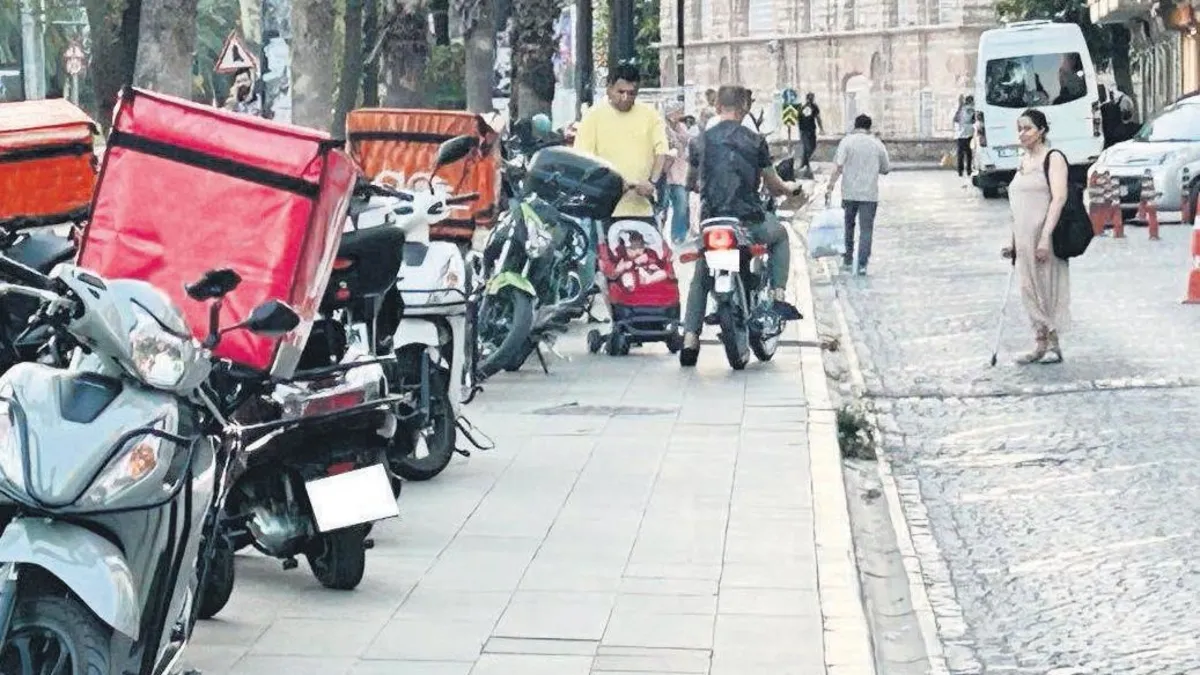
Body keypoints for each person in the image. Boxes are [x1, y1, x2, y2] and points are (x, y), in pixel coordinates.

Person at [679, 85, 803, 365]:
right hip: (747, 220)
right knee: (781, 235)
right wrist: (789, 187)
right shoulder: (755, 140)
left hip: (711, 220)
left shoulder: (699, 142)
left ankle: (690, 338)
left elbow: (689, 182)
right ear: (744, 108)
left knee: (702, 272)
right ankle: (776, 296)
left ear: (717, 107)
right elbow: (773, 186)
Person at [1001, 108, 1069, 364]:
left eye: (1028, 128)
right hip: (1023, 236)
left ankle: (1053, 343)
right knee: (1027, 289)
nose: (1022, 134)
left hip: (1044, 234)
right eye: (1019, 129)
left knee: (1046, 287)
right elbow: (1016, 206)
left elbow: (1058, 198)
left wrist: (1044, 238)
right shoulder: (1023, 162)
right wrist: (1012, 240)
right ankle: (1040, 342)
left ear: (1041, 131)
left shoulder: (1053, 158)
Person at [573, 62, 669, 221]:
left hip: (642, 208)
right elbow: (583, 159)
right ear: (609, 89)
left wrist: (652, 182)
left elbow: (661, 152)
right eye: (620, 92)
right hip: (604, 209)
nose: (625, 98)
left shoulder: (650, 115)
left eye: (631, 93)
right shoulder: (593, 116)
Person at [826, 114, 891, 275]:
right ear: (869, 127)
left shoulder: (846, 142)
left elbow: (838, 167)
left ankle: (847, 257)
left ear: (855, 126)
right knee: (866, 229)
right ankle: (862, 263)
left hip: (849, 192)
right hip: (869, 194)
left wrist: (830, 186)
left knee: (848, 226)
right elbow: (886, 169)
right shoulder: (877, 144)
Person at [662, 100, 692, 244]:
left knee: (681, 206)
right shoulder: (661, 128)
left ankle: (678, 236)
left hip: (680, 174)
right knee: (662, 208)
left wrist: (675, 134)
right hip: (663, 173)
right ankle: (659, 235)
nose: (680, 115)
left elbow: (686, 142)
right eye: (678, 112)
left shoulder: (681, 127)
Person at [797, 92, 824, 175]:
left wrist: (800, 131)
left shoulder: (802, 107)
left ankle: (804, 164)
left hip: (805, 131)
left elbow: (798, 120)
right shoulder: (813, 107)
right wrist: (821, 128)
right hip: (810, 131)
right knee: (811, 147)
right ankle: (806, 164)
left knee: (807, 147)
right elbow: (818, 118)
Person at [953, 95, 976, 183]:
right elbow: (974, 120)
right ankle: (969, 170)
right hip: (969, 133)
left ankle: (960, 171)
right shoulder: (972, 109)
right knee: (969, 153)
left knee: (960, 154)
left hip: (960, 134)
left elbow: (955, 119)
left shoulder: (961, 109)